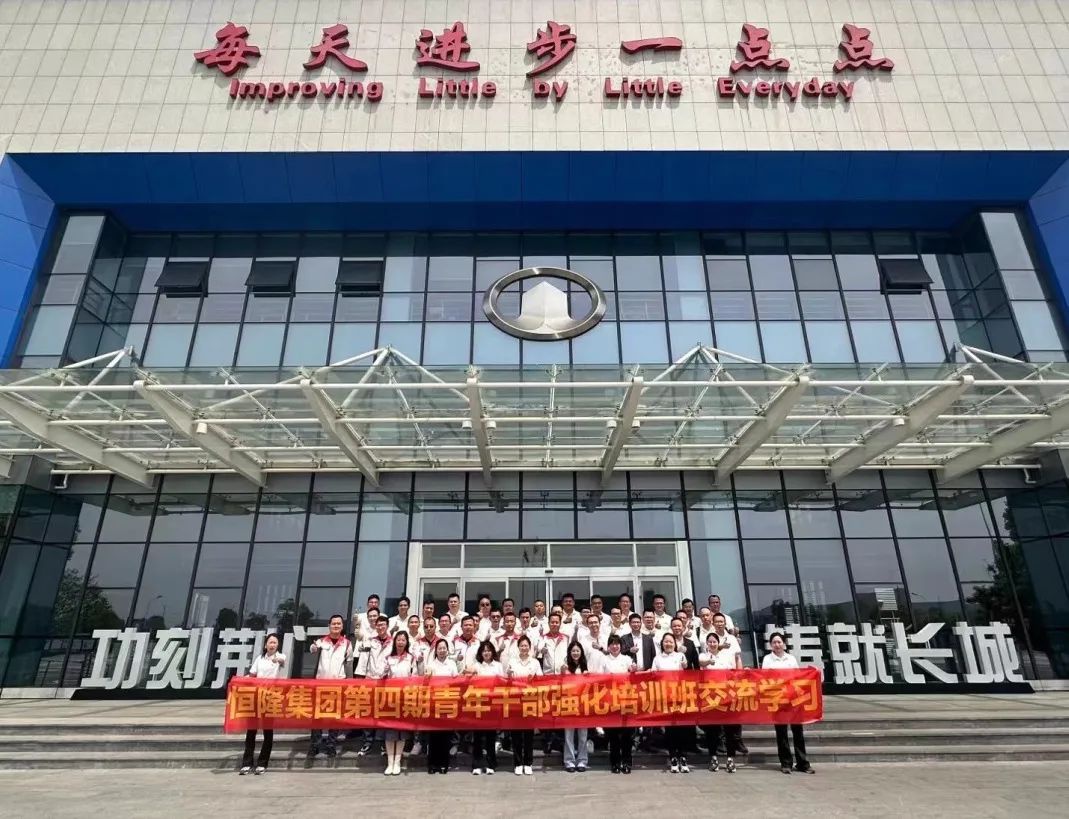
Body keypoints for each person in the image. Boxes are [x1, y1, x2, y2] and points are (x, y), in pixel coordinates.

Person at [764, 632, 814, 775]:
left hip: (793, 700)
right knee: (781, 734)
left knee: (798, 732)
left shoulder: (791, 659)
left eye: (779, 642)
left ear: (784, 644)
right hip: (778, 700)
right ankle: (786, 763)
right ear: (770, 645)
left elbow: (798, 677)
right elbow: (765, 678)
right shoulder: (767, 659)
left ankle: (803, 763)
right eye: (774, 642)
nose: (777, 645)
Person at [240, 633, 285, 774]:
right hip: (256, 697)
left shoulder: (280, 657)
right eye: (270, 642)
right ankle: (247, 763)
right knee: (251, 731)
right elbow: (252, 675)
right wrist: (239, 680)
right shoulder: (259, 659)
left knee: (268, 731)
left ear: (278, 645)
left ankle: (262, 763)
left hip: (270, 698)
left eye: (275, 643)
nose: (272, 645)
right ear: (265, 644)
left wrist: (276, 659)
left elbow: (282, 660)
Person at [308, 614, 352, 759]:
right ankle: (315, 745)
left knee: (335, 717)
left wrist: (349, 683)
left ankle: (331, 745)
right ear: (329, 625)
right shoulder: (321, 641)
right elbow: (312, 649)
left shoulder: (347, 644)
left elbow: (348, 664)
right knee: (317, 717)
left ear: (342, 626)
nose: (336, 626)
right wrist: (314, 646)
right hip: (320, 684)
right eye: (334, 623)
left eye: (339, 624)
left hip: (338, 685)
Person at [699, 633, 739, 773]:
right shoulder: (703, 655)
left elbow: (732, 673)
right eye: (709, 642)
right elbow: (701, 664)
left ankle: (730, 759)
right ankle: (713, 758)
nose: (712, 644)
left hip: (726, 697)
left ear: (718, 643)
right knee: (712, 730)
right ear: (706, 644)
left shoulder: (726, 656)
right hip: (710, 697)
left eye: (714, 641)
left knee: (729, 730)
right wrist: (709, 662)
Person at [650, 633, 689, 773]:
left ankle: (683, 756)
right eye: (666, 641)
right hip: (665, 697)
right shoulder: (657, 658)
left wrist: (685, 665)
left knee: (682, 728)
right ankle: (673, 757)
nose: (668, 644)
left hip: (680, 696)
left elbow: (686, 670)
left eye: (671, 641)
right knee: (670, 729)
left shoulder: (680, 656)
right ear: (662, 643)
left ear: (675, 643)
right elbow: (653, 675)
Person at [506, 635, 543, 775]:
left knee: (528, 734)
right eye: (521, 645)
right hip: (515, 700)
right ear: (518, 647)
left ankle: (528, 763)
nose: (524, 648)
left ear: (530, 647)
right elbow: (506, 680)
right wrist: (509, 675)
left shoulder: (535, 662)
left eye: (526, 645)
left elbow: (541, 679)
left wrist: (534, 678)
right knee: (516, 734)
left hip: (530, 700)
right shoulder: (512, 661)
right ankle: (517, 763)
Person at [382, 631, 417, 775]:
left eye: (403, 640)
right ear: (394, 642)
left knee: (402, 732)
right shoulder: (388, 658)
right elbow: (380, 675)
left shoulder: (411, 658)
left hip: (405, 698)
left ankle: (397, 761)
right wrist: (384, 671)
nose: (401, 642)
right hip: (391, 698)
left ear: (407, 642)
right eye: (398, 640)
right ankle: (389, 762)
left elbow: (414, 677)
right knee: (390, 732)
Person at [466, 640, 503, 775]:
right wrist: (469, 674)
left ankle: (491, 764)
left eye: (488, 650)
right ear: (480, 653)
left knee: (490, 737)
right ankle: (476, 764)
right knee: (477, 737)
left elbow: (502, 683)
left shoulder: (498, 666)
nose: (486, 653)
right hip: (478, 704)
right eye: (484, 651)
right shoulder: (476, 666)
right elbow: (468, 680)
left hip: (492, 705)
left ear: (492, 652)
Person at [601, 634, 637, 774]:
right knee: (613, 735)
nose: (615, 646)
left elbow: (633, 674)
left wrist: (633, 669)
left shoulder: (627, 659)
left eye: (617, 644)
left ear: (621, 646)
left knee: (627, 735)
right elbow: (598, 678)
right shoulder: (604, 660)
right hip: (610, 701)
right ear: (608, 646)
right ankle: (615, 762)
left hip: (626, 700)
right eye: (612, 644)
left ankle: (627, 762)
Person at [424, 638, 457, 774]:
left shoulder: (452, 664)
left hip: (448, 703)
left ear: (447, 650)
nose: (442, 651)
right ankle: (432, 764)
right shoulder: (431, 664)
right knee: (434, 736)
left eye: (444, 648)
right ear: (436, 651)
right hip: (434, 703)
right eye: (440, 648)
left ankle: (444, 764)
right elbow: (426, 683)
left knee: (446, 736)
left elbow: (456, 682)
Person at [561, 642, 590, 773]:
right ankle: (569, 761)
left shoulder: (586, 666)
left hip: (583, 704)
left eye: (577, 651)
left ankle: (582, 760)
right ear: (569, 652)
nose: (575, 653)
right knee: (569, 735)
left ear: (581, 652)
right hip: (569, 703)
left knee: (583, 735)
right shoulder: (565, 666)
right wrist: (563, 672)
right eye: (573, 651)